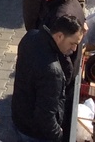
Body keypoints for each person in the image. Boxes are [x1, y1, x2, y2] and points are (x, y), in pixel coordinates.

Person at [11, 14, 84, 142]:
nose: (74, 49)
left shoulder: (30, 36)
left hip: (20, 118)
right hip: (35, 133)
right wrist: (59, 136)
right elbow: (45, 117)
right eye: (72, 43)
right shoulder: (52, 71)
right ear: (60, 36)